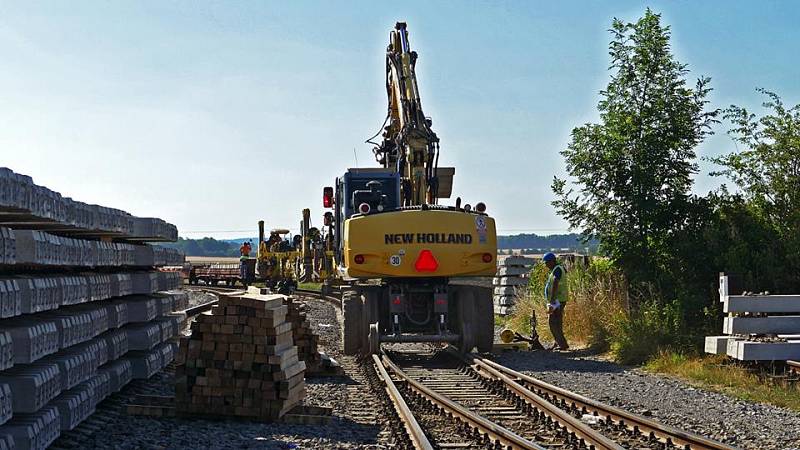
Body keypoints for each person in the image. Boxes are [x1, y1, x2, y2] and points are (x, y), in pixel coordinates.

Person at [542, 252, 569, 351]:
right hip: (558, 300)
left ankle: (562, 344)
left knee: (552, 322)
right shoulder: (557, 269)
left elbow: (555, 284)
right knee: (557, 322)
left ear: (552, 261)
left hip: (557, 300)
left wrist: (552, 300)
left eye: (546, 262)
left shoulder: (557, 270)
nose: (546, 265)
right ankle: (558, 343)